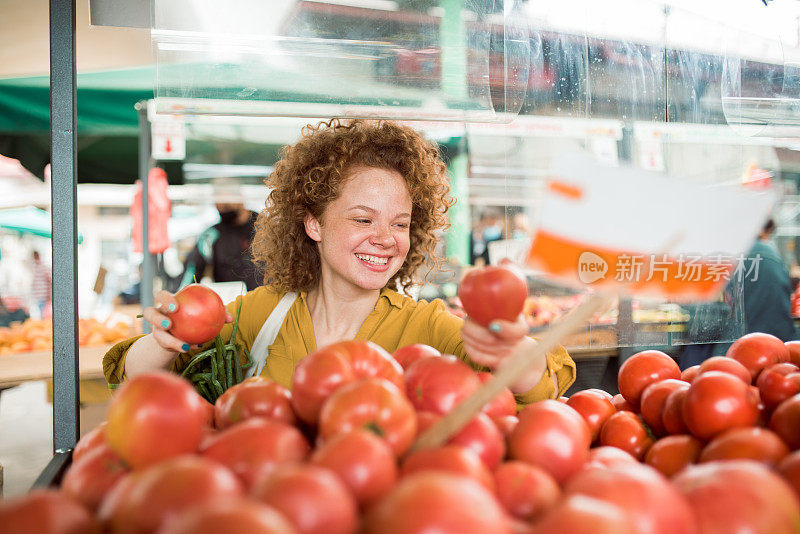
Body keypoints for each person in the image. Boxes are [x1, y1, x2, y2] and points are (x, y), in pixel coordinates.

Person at [104, 119, 575, 402]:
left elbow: (544, 386)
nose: (385, 239)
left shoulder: (428, 328)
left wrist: (516, 357)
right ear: (313, 224)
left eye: (400, 222)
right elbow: (129, 381)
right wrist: (165, 342)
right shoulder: (256, 315)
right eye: (362, 218)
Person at [177, 179, 260, 291]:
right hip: (231, 305)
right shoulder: (211, 235)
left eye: (226, 204)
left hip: (268, 305)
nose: (220, 207)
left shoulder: (266, 229)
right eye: (217, 203)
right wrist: (177, 298)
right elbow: (190, 272)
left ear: (240, 197)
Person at [740, 218, 798, 341]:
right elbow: (776, 318)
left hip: (741, 344)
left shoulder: (741, 251)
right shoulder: (764, 255)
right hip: (764, 342)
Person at [30, 251, 52, 318]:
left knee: (44, 315)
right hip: (39, 296)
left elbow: (50, 280)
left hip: (43, 296)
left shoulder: (41, 267)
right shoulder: (35, 267)